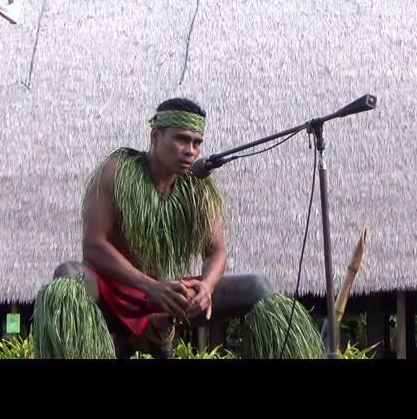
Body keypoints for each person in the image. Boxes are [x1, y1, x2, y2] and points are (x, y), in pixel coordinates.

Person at [53, 98, 272, 358]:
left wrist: (207, 287)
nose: (190, 150)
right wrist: (148, 285)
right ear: (156, 136)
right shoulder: (116, 172)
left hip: (166, 295)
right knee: (68, 276)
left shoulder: (198, 190)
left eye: (197, 142)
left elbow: (216, 251)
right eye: (181, 139)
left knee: (258, 288)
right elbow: (93, 246)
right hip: (112, 289)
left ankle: (159, 326)